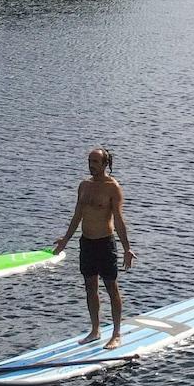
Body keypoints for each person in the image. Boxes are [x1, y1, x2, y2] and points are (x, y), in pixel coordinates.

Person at [52, 147, 135, 345]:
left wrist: (126, 248)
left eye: (96, 162)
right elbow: (77, 216)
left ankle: (116, 334)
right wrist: (65, 240)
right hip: (86, 243)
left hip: (105, 243)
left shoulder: (112, 187)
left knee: (111, 287)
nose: (91, 165)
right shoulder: (83, 186)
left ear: (106, 164)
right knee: (90, 288)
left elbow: (119, 219)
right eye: (90, 161)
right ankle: (95, 330)